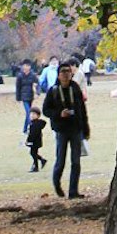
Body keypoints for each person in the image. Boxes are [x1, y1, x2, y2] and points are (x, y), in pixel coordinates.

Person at [43, 58, 90, 196]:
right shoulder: (53, 91)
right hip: (61, 130)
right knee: (60, 160)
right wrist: (59, 114)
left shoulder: (75, 89)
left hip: (75, 129)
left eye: (68, 71)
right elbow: (46, 110)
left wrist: (85, 128)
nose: (66, 74)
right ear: (58, 75)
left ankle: (73, 191)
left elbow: (82, 109)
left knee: (76, 161)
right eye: (63, 72)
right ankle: (57, 184)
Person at [14, 60, 38, 136]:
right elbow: (18, 87)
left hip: (31, 96)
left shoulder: (33, 75)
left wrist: (37, 92)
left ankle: (24, 129)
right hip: (23, 96)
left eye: (28, 66)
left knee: (29, 113)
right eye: (25, 66)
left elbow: (38, 84)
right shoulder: (20, 76)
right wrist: (18, 98)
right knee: (29, 113)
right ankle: (30, 128)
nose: (26, 67)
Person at [25, 103, 47, 172]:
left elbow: (33, 134)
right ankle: (41, 161)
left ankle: (36, 167)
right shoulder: (33, 123)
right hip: (36, 141)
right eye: (31, 114)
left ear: (38, 116)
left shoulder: (35, 124)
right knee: (33, 153)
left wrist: (28, 141)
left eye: (34, 114)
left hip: (35, 141)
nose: (32, 116)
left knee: (33, 153)